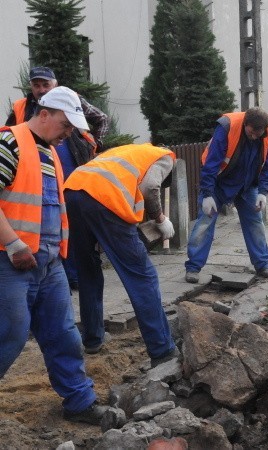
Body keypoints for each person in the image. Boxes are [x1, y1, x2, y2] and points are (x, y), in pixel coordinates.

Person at [0, 86, 107, 424]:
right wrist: (14, 245)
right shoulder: (10, 143)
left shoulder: (49, 153)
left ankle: (79, 401)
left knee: (64, 334)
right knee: (11, 332)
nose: (68, 133)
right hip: (10, 261)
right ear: (43, 114)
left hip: (47, 264)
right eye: (65, 125)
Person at [63, 143, 178, 364]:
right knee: (142, 276)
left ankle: (93, 339)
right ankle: (162, 349)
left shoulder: (130, 152)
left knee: (88, 271)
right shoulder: (165, 157)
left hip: (72, 192)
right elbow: (151, 187)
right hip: (104, 198)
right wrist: (160, 219)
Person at [6, 66, 109, 290]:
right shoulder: (22, 108)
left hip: (67, 171)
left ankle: (73, 275)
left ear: (55, 85)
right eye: (37, 85)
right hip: (32, 179)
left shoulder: (70, 101)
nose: (41, 90)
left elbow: (101, 119)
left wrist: (95, 145)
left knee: (69, 224)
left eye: (46, 85)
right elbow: (12, 139)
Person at [184, 107, 268, 283]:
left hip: (247, 185)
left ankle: (262, 265)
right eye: (251, 132)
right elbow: (211, 162)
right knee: (205, 222)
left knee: (255, 222)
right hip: (220, 184)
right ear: (245, 124)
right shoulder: (226, 127)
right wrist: (207, 194)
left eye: (258, 134)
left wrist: (263, 192)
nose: (254, 137)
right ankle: (193, 268)